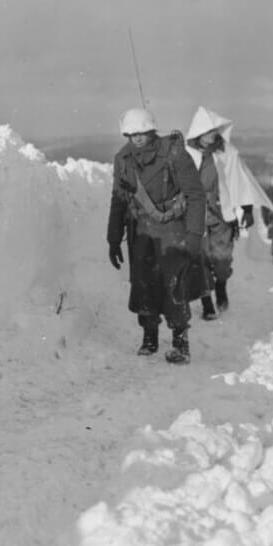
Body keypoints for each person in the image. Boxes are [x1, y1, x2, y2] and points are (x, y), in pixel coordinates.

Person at [107, 108, 207, 362]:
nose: (136, 139)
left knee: (174, 284)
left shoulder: (173, 152)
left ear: (151, 130)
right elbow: (118, 199)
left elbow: (195, 194)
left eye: (141, 133)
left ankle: (180, 341)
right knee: (142, 284)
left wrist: (194, 233)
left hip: (171, 228)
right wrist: (113, 237)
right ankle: (149, 336)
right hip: (140, 231)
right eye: (131, 134)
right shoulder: (123, 159)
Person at [184, 106, 273, 318]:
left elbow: (241, 181)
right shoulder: (186, 155)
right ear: (198, 132)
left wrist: (246, 209)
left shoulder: (226, 153)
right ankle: (207, 302)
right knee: (200, 259)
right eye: (207, 132)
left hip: (221, 214)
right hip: (194, 215)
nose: (211, 136)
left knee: (222, 258)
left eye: (214, 131)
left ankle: (222, 284)